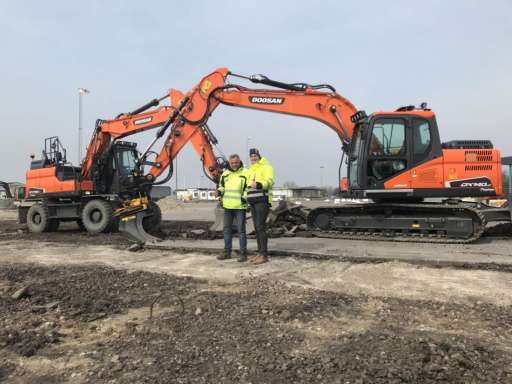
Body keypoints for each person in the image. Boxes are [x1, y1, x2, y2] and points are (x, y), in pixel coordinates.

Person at [216, 154, 248, 262]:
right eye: (232, 163)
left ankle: (243, 254)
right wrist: (219, 192)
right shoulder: (225, 174)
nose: (234, 164)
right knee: (226, 230)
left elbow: (248, 188)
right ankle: (227, 252)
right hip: (228, 207)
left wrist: (245, 197)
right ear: (229, 163)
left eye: (236, 162)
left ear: (240, 162)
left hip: (240, 206)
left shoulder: (245, 173)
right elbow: (221, 186)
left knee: (241, 231)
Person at [246, 148, 275, 265]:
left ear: (259, 156)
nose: (253, 158)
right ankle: (259, 253)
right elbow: (248, 188)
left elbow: (270, 182)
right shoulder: (251, 170)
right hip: (253, 202)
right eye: (251, 156)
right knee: (257, 229)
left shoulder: (267, 167)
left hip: (262, 201)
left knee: (260, 227)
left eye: (255, 155)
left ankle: (264, 255)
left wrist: (259, 184)